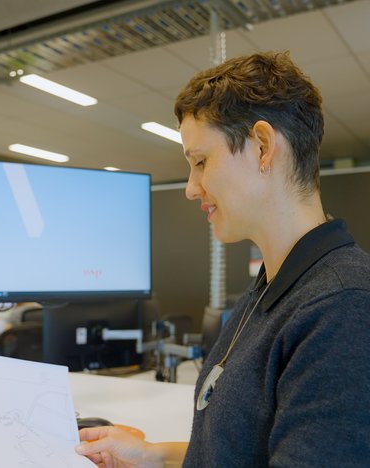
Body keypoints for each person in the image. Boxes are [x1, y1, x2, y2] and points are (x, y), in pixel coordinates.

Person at [75, 51, 370, 467]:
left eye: (201, 162)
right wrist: (153, 456)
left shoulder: (343, 307)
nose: (191, 188)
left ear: (263, 147)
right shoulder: (276, 286)